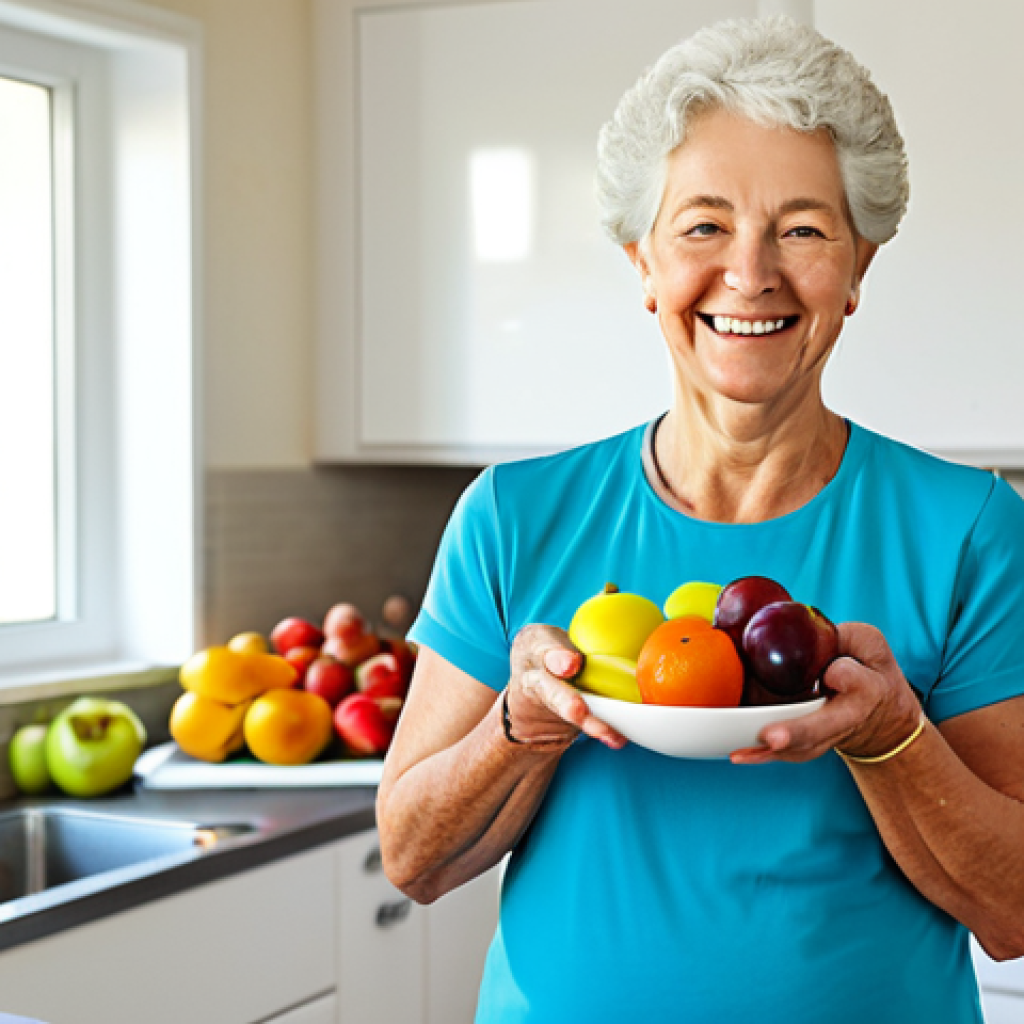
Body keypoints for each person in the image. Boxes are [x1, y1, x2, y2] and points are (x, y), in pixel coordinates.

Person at [376, 15, 1024, 1023]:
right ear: (642, 262)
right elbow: (412, 857)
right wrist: (524, 725)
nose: (750, 272)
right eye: (703, 225)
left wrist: (893, 735)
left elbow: (1014, 908)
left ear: (857, 270)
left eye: (803, 229)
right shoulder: (513, 517)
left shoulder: (969, 529)